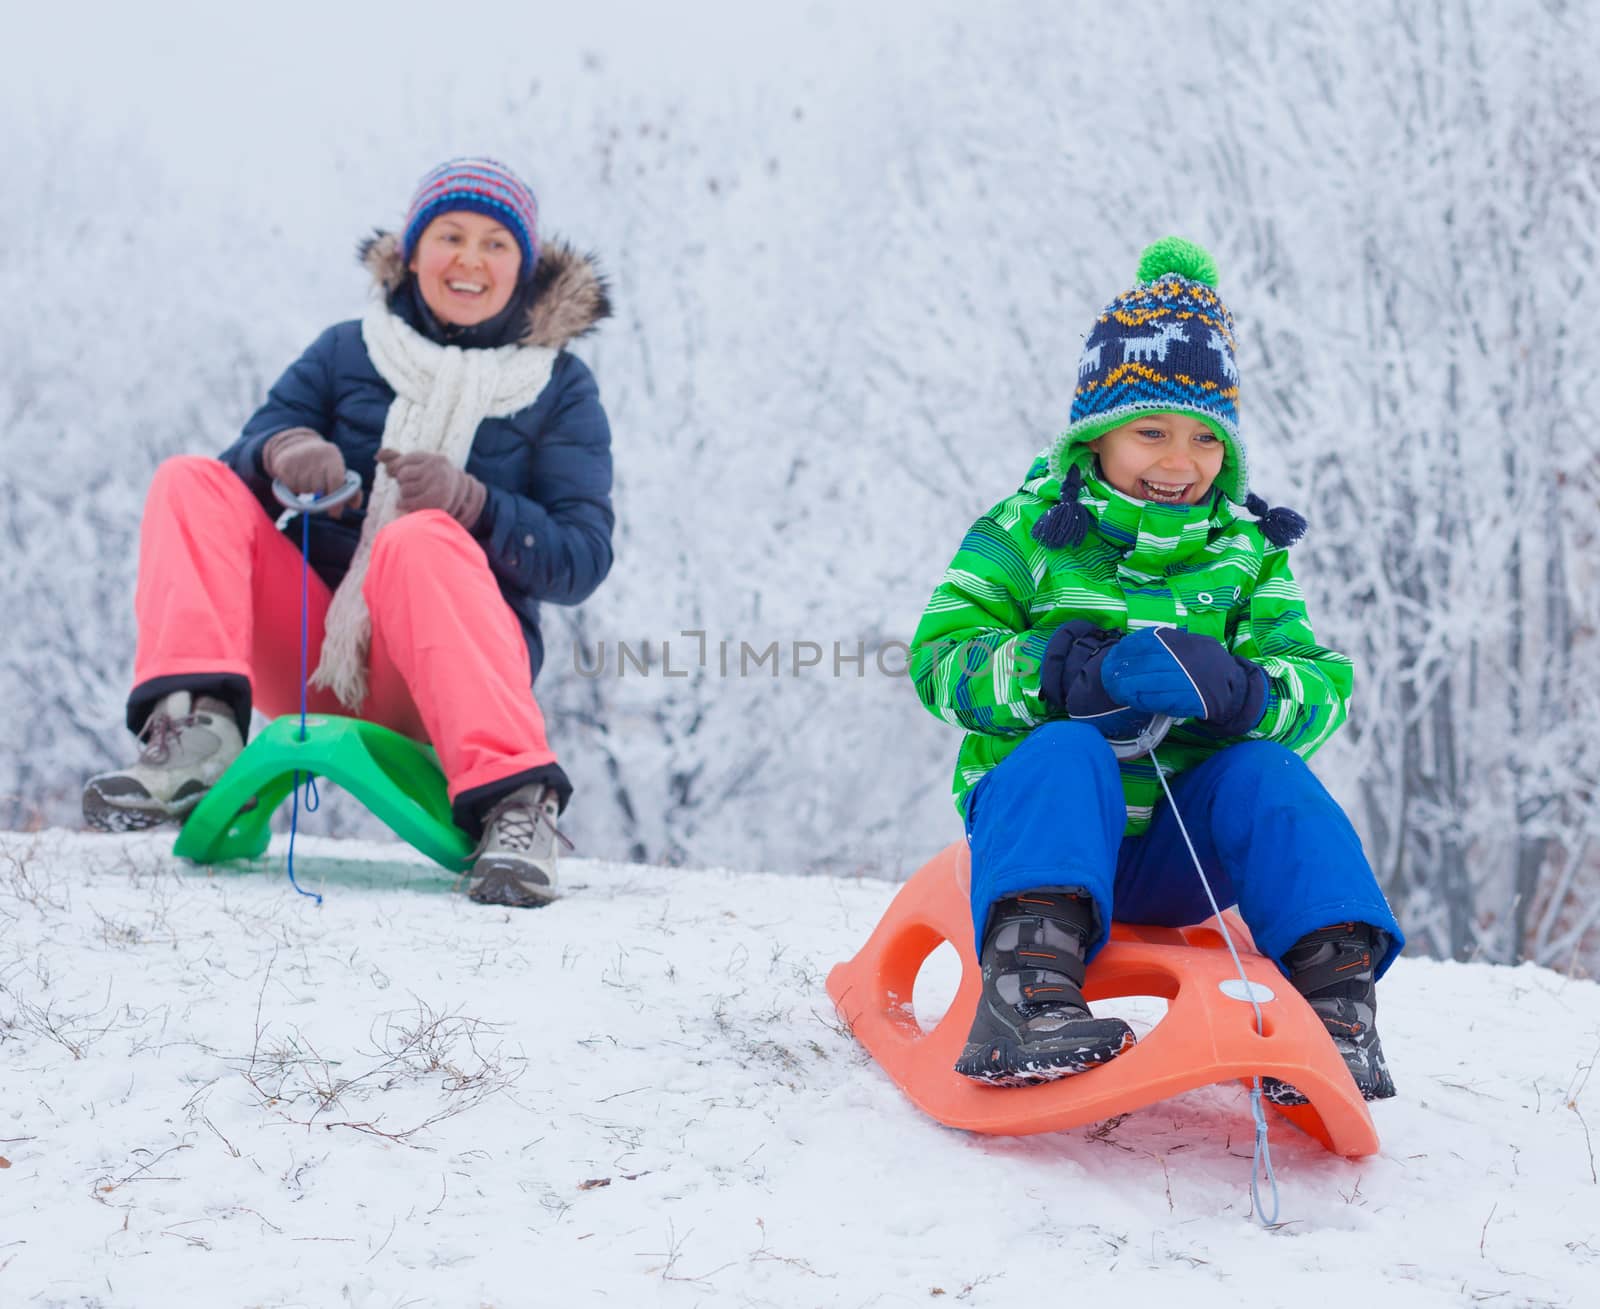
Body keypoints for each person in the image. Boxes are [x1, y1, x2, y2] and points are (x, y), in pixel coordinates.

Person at [909, 238, 1403, 1104]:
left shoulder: (1246, 556)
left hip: (1184, 854)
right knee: (1069, 754)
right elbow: (941, 660)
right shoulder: (1026, 532)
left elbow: (1322, 688)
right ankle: (1029, 992)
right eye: (1151, 431)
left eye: (1205, 438)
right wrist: (1062, 672)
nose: (1179, 463)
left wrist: (1245, 692)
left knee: (1270, 774)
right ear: (1097, 429)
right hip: (1048, 835)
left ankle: (1337, 1008)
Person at [82, 157, 613, 908]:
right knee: (189, 479)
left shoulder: (559, 389)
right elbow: (251, 452)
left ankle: (517, 806)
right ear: (413, 252)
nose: (468, 259)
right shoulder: (347, 349)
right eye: (449, 236)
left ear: (523, 267)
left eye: (494, 243)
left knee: (417, 536)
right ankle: (193, 736)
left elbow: (582, 558)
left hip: (445, 677)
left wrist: (477, 504)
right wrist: (283, 454)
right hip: (315, 648)